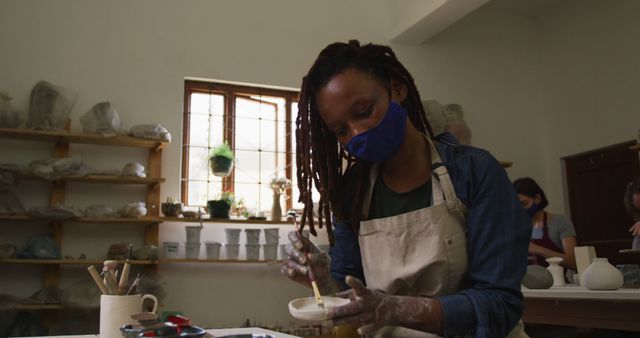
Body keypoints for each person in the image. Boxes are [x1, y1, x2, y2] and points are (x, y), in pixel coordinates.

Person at [281, 40, 531, 338]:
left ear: (397, 89)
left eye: (363, 111)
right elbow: (352, 295)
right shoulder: (353, 193)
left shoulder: (474, 172)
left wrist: (396, 309)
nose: (357, 134)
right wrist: (325, 283)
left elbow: (499, 304)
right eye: (341, 130)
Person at [513, 177, 577, 271]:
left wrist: (538, 249)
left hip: (556, 284)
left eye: (524, 204)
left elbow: (573, 262)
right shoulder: (514, 226)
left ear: (537, 199)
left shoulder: (560, 222)